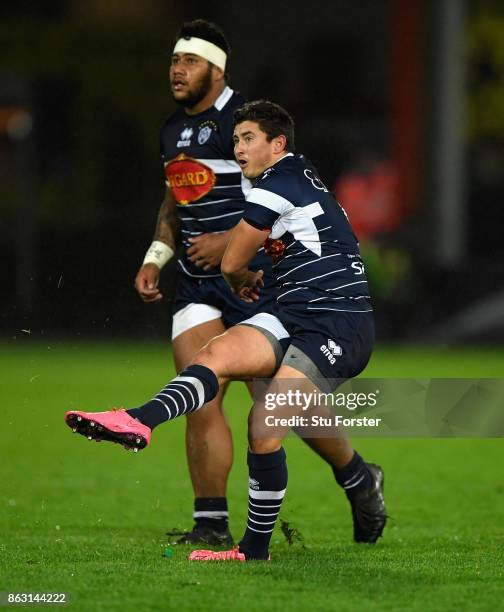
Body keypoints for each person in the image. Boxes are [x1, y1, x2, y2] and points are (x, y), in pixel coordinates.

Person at [66, 100, 387, 561]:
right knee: (215, 357)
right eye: (235, 139)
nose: (238, 148)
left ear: (278, 144)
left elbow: (233, 259)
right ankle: (139, 418)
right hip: (292, 311)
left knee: (264, 424)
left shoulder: (278, 182)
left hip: (337, 323)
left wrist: (238, 276)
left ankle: (253, 551)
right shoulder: (293, 173)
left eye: (248, 138)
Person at [134, 19, 385, 547]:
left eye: (190, 61)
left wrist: (227, 242)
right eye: (174, 61)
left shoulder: (245, 123)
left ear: (216, 69)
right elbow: (173, 201)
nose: (178, 71)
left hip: (254, 278)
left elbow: (279, 199)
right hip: (197, 284)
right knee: (202, 389)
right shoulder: (171, 131)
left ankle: (356, 475)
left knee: (277, 407)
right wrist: (159, 252)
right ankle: (211, 523)